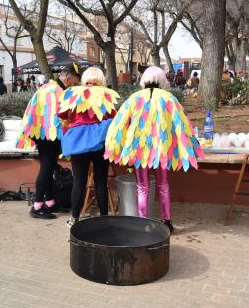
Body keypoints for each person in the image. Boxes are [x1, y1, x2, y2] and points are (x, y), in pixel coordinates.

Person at [104, 66, 204, 233]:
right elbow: (180, 123)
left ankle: (143, 223)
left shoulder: (135, 98)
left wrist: (118, 145)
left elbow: (120, 123)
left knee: (142, 186)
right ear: (161, 79)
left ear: (144, 79)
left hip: (139, 149)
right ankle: (167, 221)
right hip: (161, 149)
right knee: (163, 184)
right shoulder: (169, 98)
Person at [15, 63, 81, 219]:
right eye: (75, 82)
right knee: (46, 168)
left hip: (42, 133)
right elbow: (58, 118)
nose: (75, 85)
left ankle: (50, 202)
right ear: (68, 78)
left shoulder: (49, 87)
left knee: (50, 168)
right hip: (47, 135)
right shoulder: (56, 91)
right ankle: (37, 206)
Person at [57, 67, 120, 227]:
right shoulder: (106, 95)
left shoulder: (75, 93)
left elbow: (61, 113)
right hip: (100, 141)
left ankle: (74, 218)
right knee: (101, 181)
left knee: (79, 182)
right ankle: (104, 217)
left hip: (79, 142)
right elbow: (114, 117)